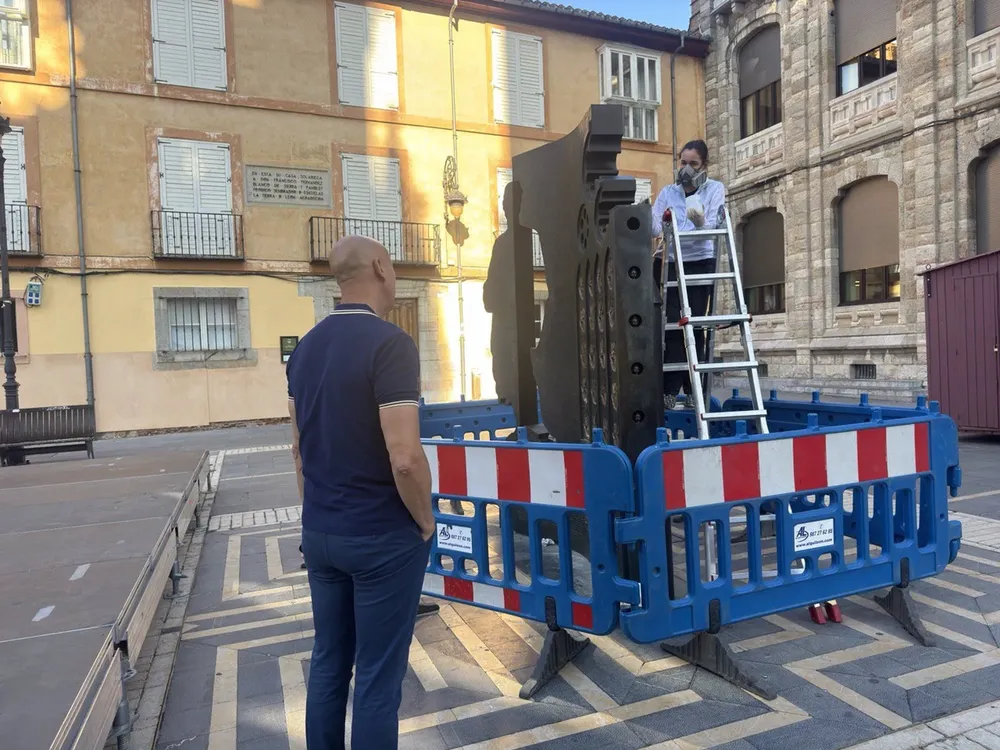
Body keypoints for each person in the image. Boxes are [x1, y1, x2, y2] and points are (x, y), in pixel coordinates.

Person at [286, 235, 435, 750]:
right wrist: (426, 521)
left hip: (323, 532)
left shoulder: (304, 349)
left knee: (329, 662)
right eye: (391, 265)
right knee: (376, 679)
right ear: (378, 266)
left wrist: (318, 518)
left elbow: (299, 451)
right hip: (380, 538)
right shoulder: (390, 345)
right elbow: (406, 458)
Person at [650, 139, 727, 410]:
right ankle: (669, 391)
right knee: (671, 326)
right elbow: (653, 226)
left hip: (699, 262)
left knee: (693, 326)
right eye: (683, 163)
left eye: (693, 164)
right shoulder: (668, 192)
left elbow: (715, 225)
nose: (686, 169)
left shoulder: (714, 189)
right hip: (670, 262)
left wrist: (699, 219)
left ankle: (695, 390)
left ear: (704, 165)